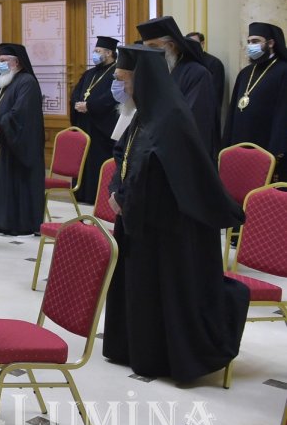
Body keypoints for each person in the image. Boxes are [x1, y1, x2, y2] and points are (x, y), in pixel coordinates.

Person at [103, 43, 249, 382]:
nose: (120, 87)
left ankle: (163, 357)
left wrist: (128, 198)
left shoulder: (172, 119)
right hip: (138, 219)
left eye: (124, 80)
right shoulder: (142, 113)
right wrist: (116, 191)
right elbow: (122, 155)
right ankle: (131, 348)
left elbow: (165, 175)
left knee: (162, 292)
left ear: (143, 81)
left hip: (167, 228)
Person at [0, 42, 45, 235]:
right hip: (1, 142)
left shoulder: (27, 82)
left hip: (17, 146)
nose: (0, 65)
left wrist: (0, 125)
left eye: (4, 61)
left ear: (17, 62)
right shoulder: (1, 82)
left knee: (15, 184)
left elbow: (22, 114)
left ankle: (17, 224)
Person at [138, 17, 220, 155]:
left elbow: (191, 121)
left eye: (153, 47)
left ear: (170, 46)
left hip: (186, 153)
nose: (148, 53)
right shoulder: (159, 73)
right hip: (157, 149)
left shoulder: (197, 74)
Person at [223, 22, 287, 168]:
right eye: (249, 41)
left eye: (256, 41)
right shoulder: (245, 73)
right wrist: (227, 144)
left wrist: (275, 150)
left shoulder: (283, 71)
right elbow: (233, 110)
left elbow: (283, 114)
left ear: (271, 43)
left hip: (266, 144)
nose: (251, 45)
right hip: (240, 142)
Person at [69, 36, 119, 203]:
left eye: (98, 51)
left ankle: (96, 196)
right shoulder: (90, 73)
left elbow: (113, 97)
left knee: (97, 161)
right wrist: (77, 103)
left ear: (109, 53)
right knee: (82, 159)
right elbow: (76, 92)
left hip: (101, 126)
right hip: (85, 123)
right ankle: (80, 193)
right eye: (95, 51)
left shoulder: (116, 72)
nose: (94, 54)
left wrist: (90, 106)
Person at [186, 31, 227, 118]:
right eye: (188, 43)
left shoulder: (214, 63)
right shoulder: (185, 63)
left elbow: (216, 94)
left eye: (194, 43)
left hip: (205, 113)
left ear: (202, 44)